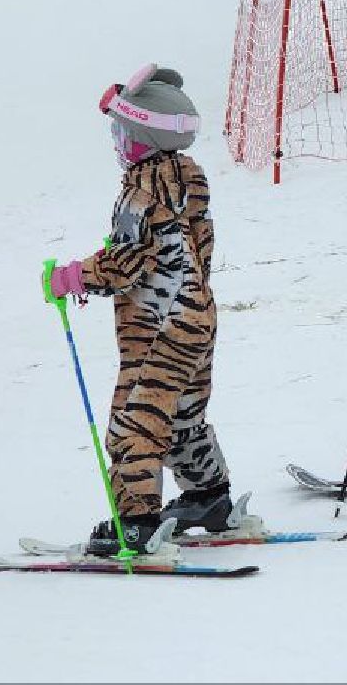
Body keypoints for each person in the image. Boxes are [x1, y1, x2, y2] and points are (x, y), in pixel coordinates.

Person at [45, 65, 240, 558]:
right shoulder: (189, 177)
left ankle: (136, 522)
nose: (118, 144)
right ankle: (208, 497)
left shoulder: (140, 189)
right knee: (180, 416)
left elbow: (126, 261)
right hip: (197, 315)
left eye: (123, 133)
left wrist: (73, 277)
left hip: (158, 325)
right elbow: (202, 244)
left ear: (142, 137)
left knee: (134, 422)